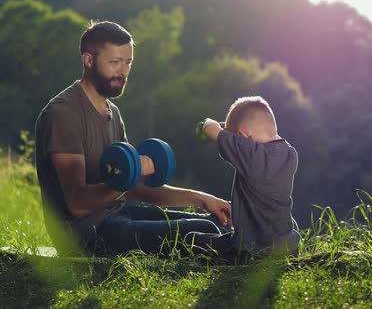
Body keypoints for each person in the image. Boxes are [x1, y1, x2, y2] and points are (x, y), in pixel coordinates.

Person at [34, 21, 231, 256]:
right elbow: (77, 204)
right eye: (115, 62)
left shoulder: (112, 112)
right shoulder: (64, 114)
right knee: (202, 230)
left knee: (217, 222)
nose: (123, 72)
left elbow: (135, 189)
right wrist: (130, 176)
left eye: (128, 62)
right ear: (88, 60)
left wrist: (202, 199)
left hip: (118, 214)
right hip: (86, 235)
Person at [188, 96, 301, 260]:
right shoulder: (290, 154)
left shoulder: (250, 154)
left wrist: (208, 123)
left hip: (251, 251)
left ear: (242, 136)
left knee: (191, 239)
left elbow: (210, 129)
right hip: (288, 247)